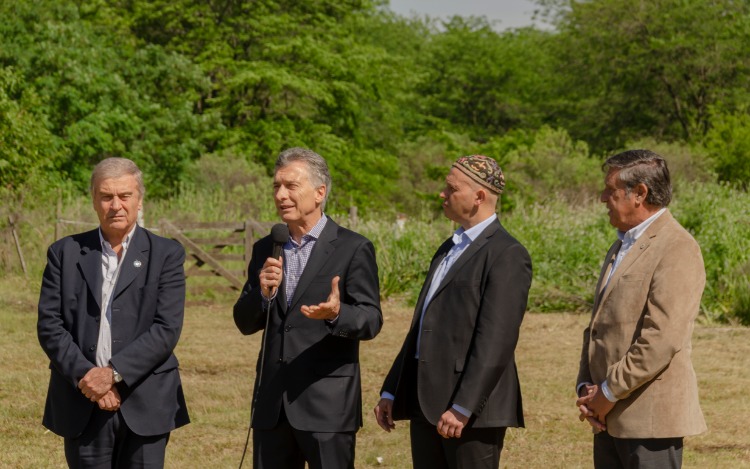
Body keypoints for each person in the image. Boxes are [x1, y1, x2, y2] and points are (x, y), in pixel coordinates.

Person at [374, 155, 532, 469]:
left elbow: (496, 340)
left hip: (470, 412)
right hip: (425, 400)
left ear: (479, 197)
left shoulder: (507, 254)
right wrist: (392, 388)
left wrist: (464, 406)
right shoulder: (447, 248)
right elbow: (421, 326)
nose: (442, 194)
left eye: (451, 188)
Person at [233, 147, 382, 469]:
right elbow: (244, 321)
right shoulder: (267, 247)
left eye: (290, 186)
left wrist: (337, 314)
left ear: (319, 193)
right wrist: (262, 293)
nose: (281, 195)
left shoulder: (353, 247)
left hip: (326, 406)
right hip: (272, 404)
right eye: (276, 186)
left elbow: (371, 319)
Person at [37, 157, 190, 468]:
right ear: (94, 199)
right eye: (106, 196)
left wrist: (113, 375)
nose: (116, 205)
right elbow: (50, 326)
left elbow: (166, 328)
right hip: (83, 401)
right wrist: (89, 378)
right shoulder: (64, 253)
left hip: (145, 401)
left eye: (125, 196)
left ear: (139, 199)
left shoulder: (167, 255)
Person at [576, 149, 706, 468]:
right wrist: (587, 388)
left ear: (640, 194)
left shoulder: (678, 247)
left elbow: (661, 339)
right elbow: (599, 326)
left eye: (610, 190)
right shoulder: (622, 243)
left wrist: (607, 393)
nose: (602, 197)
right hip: (608, 415)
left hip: (650, 420)